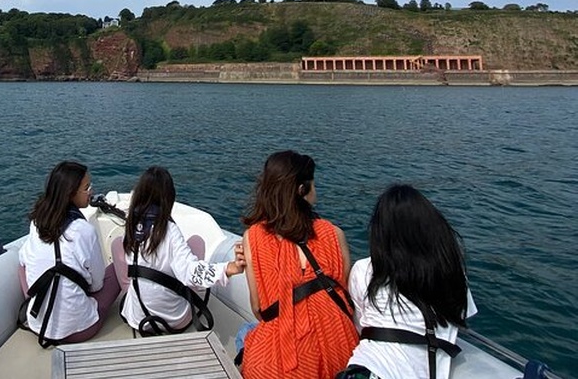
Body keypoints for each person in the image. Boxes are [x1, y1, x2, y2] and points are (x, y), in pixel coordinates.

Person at [238, 150, 358, 379]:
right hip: (341, 352)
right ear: (302, 190)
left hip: (284, 365)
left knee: (246, 336)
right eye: (314, 185)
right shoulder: (334, 233)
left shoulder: (253, 237)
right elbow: (345, 299)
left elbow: (259, 310)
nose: (316, 191)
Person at [337, 184, 477, 379]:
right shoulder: (452, 271)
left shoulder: (364, 269)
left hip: (367, 369)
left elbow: (360, 325)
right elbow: (460, 317)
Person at [119, 166, 245, 334]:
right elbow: (191, 273)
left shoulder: (132, 224)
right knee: (196, 242)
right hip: (171, 319)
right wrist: (230, 267)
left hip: (137, 316)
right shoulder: (169, 231)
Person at [19, 161, 120, 345]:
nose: (91, 190)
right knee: (117, 269)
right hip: (80, 329)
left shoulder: (36, 223)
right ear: (70, 193)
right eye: (86, 187)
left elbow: (24, 262)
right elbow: (96, 286)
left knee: (22, 264)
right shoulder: (84, 230)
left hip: (38, 325)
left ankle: (34, 303)